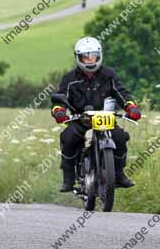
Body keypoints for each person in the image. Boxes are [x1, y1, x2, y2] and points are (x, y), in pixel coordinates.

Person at [51, 37, 142, 192]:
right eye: (85, 57)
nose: (90, 60)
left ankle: (119, 175)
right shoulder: (69, 79)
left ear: (99, 55)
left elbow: (122, 93)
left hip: (105, 118)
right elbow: (59, 100)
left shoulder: (109, 74)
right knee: (68, 137)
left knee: (119, 137)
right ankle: (68, 178)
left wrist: (131, 107)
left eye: (93, 56)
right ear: (78, 58)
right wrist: (59, 112)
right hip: (80, 119)